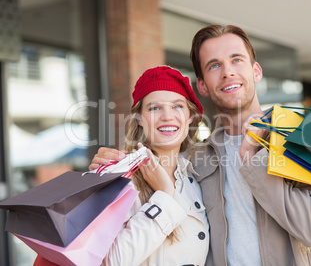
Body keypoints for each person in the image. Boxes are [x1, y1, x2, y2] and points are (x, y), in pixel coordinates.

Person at [90, 25, 311, 266]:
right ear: (203, 85)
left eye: (236, 60)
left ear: (256, 71)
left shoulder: (299, 140)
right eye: (214, 65)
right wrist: (106, 171)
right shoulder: (196, 161)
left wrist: (252, 157)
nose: (227, 72)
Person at [35, 66, 209, 266]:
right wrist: (164, 197)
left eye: (177, 106)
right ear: (139, 120)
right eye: (155, 108)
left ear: (190, 118)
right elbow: (110, 261)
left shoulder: (195, 178)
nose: (167, 116)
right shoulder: (120, 178)